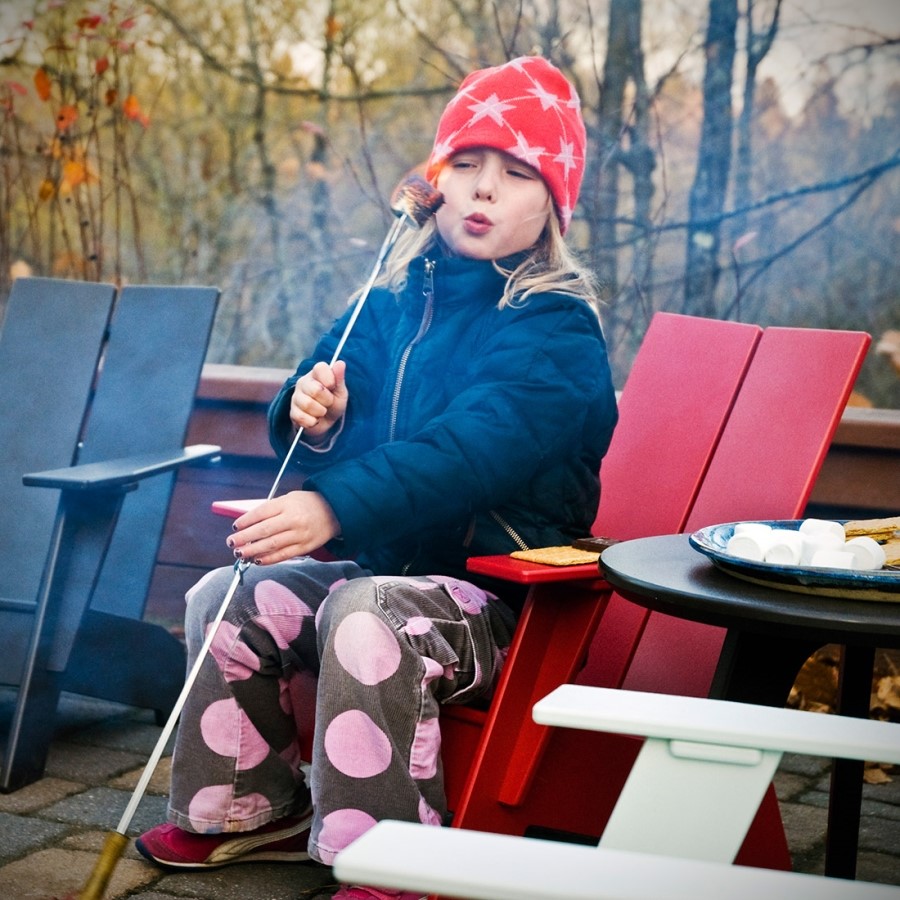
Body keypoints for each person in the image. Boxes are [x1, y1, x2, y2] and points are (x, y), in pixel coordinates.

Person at [136, 55, 618, 900]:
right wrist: (311, 413)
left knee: (368, 612)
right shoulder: (395, 297)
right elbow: (319, 387)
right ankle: (249, 807)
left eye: (515, 175)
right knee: (228, 595)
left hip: (500, 606)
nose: (483, 188)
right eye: (466, 164)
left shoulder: (555, 330)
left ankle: (387, 857)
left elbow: (468, 452)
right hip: (385, 573)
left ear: (552, 206)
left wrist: (332, 505)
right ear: (435, 182)